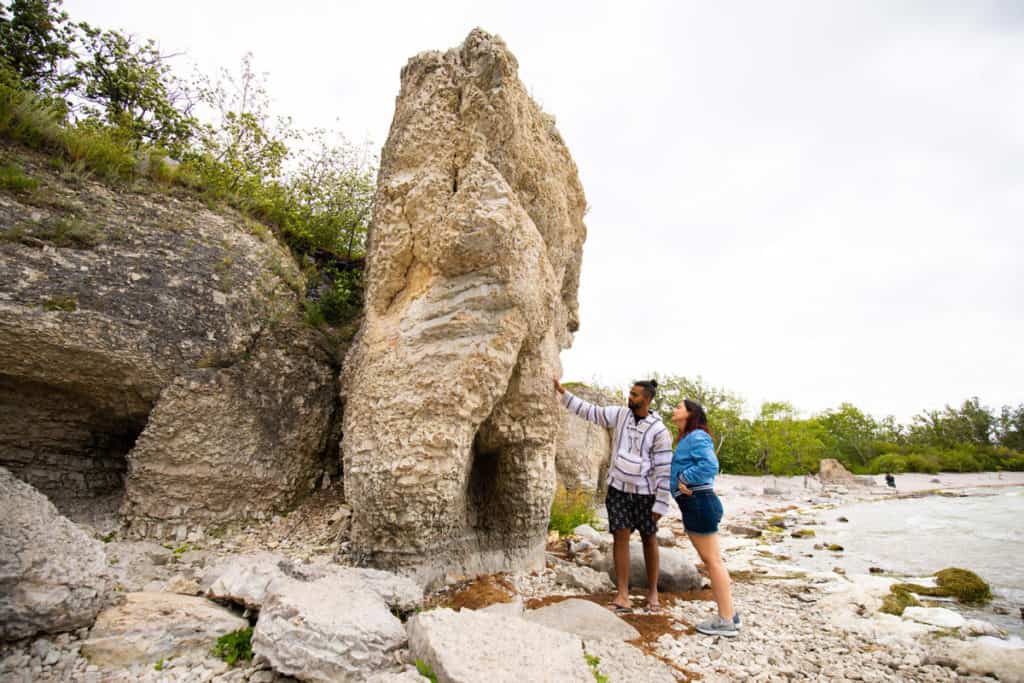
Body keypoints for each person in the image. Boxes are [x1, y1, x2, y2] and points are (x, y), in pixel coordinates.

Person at [554, 377, 673, 613]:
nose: (630, 397)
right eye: (630, 393)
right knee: (620, 537)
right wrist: (563, 394)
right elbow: (591, 412)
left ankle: (653, 593)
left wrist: (661, 503)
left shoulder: (659, 431)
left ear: (647, 399)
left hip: (645, 494)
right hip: (618, 489)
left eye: (635, 395)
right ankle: (622, 594)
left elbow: (663, 469)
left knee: (649, 539)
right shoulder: (619, 415)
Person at [670, 398, 739, 637]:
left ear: (691, 414)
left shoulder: (697, 436)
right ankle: (730, 613)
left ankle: (726, 621)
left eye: (679, 407)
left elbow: (710, 465)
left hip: (699, 502)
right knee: (714, 560)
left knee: (713, 562)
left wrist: (684, 478)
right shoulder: (689, 438)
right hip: (697, 503)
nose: (674, 409)